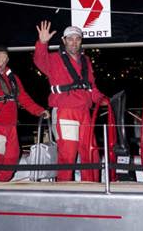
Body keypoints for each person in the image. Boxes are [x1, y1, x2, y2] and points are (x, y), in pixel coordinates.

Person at [34, 20, 107, 182]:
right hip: (65, 111)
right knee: (68, 153)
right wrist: (42, 43)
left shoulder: (86, 61)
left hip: (84, 112)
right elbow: (39, 60)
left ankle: (91, 185)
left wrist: (102, 99)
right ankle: (65, 187)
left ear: (81, 41)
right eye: (70, 38)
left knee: (90, 151)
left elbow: (91, 87)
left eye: (77, 39)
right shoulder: (53, 59)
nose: (74, 42)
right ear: (64, 40)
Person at [0, 46, 49, 182]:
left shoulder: (13, 77)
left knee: (12, 158)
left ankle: (1, 185)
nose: (2, 60)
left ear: (8, 59)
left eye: (4, 57)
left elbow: (24, 98)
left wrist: (39, 110)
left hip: (11, 126)